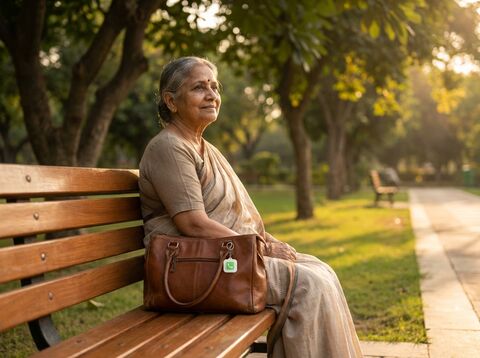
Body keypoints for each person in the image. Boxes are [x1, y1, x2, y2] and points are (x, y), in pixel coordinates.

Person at [139, 56, 363, 357]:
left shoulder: (203, 147)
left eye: (214, 86)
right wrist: (262, 248)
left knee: (321, 271)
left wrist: (266, 241)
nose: (211, 95)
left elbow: (232, 216)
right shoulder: (169, 147)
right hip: (192, 269)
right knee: (309, 285)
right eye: (198, 88)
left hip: (222, 259)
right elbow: (193, 224)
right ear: (171, 101)